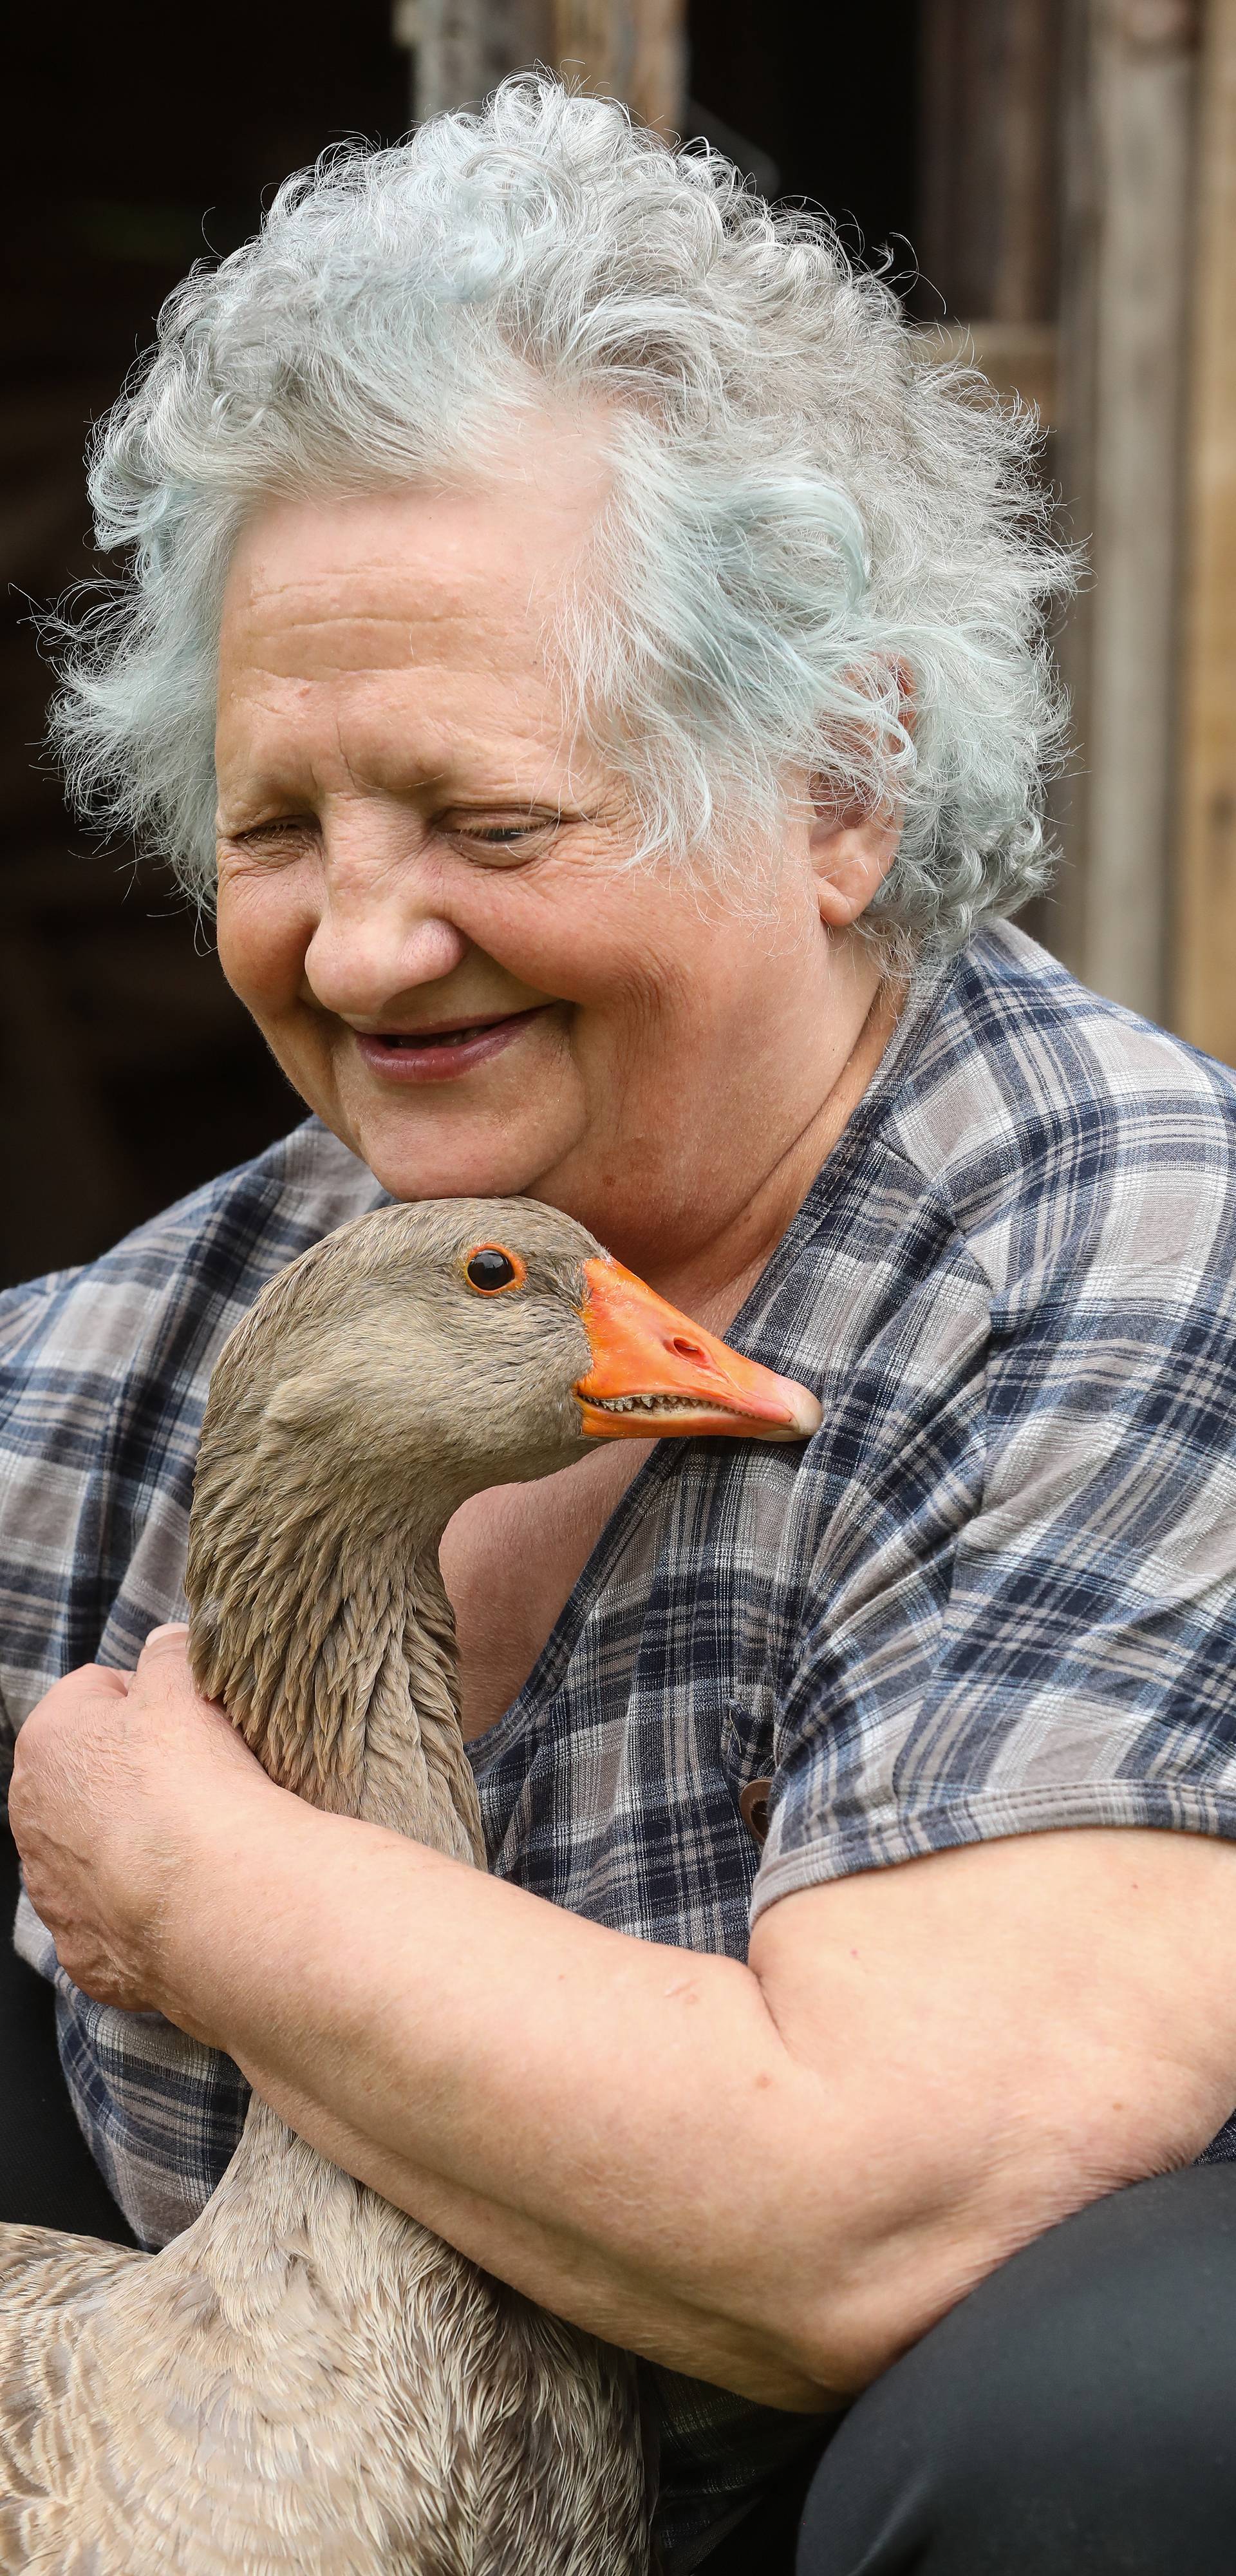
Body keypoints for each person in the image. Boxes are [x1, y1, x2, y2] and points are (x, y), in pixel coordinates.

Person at [7, 77, 1236, 2575]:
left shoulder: (1139, 1253)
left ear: (838, 789)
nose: (355, 949)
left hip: (874, 2445)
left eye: (488, 826)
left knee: (1109, 2427)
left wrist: (188, 1870)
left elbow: (871, 2217)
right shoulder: (144, 1348)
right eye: (277, 830)